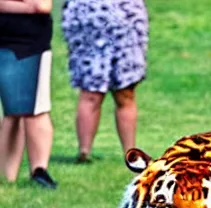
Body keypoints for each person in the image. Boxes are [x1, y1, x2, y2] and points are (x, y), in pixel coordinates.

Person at [61, 0, 149, 163]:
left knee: (125, 90)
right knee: (91, 90)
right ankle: (84, 153)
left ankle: (130, 153)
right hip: (89, 16)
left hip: (126, 14)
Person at [0, 0, 57, 188]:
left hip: (30, 42)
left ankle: (39, 170)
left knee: (35, 108)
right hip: (6, 38)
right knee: (12, 112)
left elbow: (41, 6)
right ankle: (7, 177)